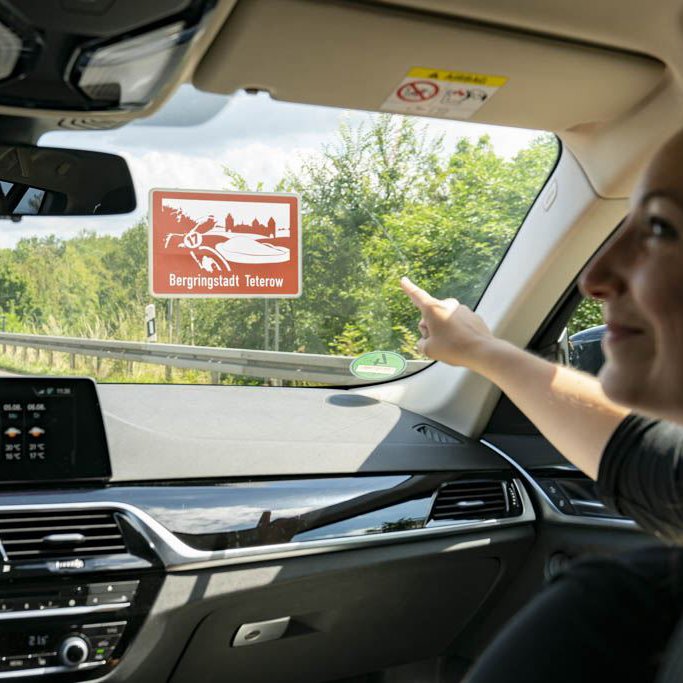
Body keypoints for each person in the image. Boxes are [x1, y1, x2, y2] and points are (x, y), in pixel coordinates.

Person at [400, 128, 683, 682]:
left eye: (660, 227)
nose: (594, 278)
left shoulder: (628, 606)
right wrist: (482, 351)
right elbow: (636, 455)